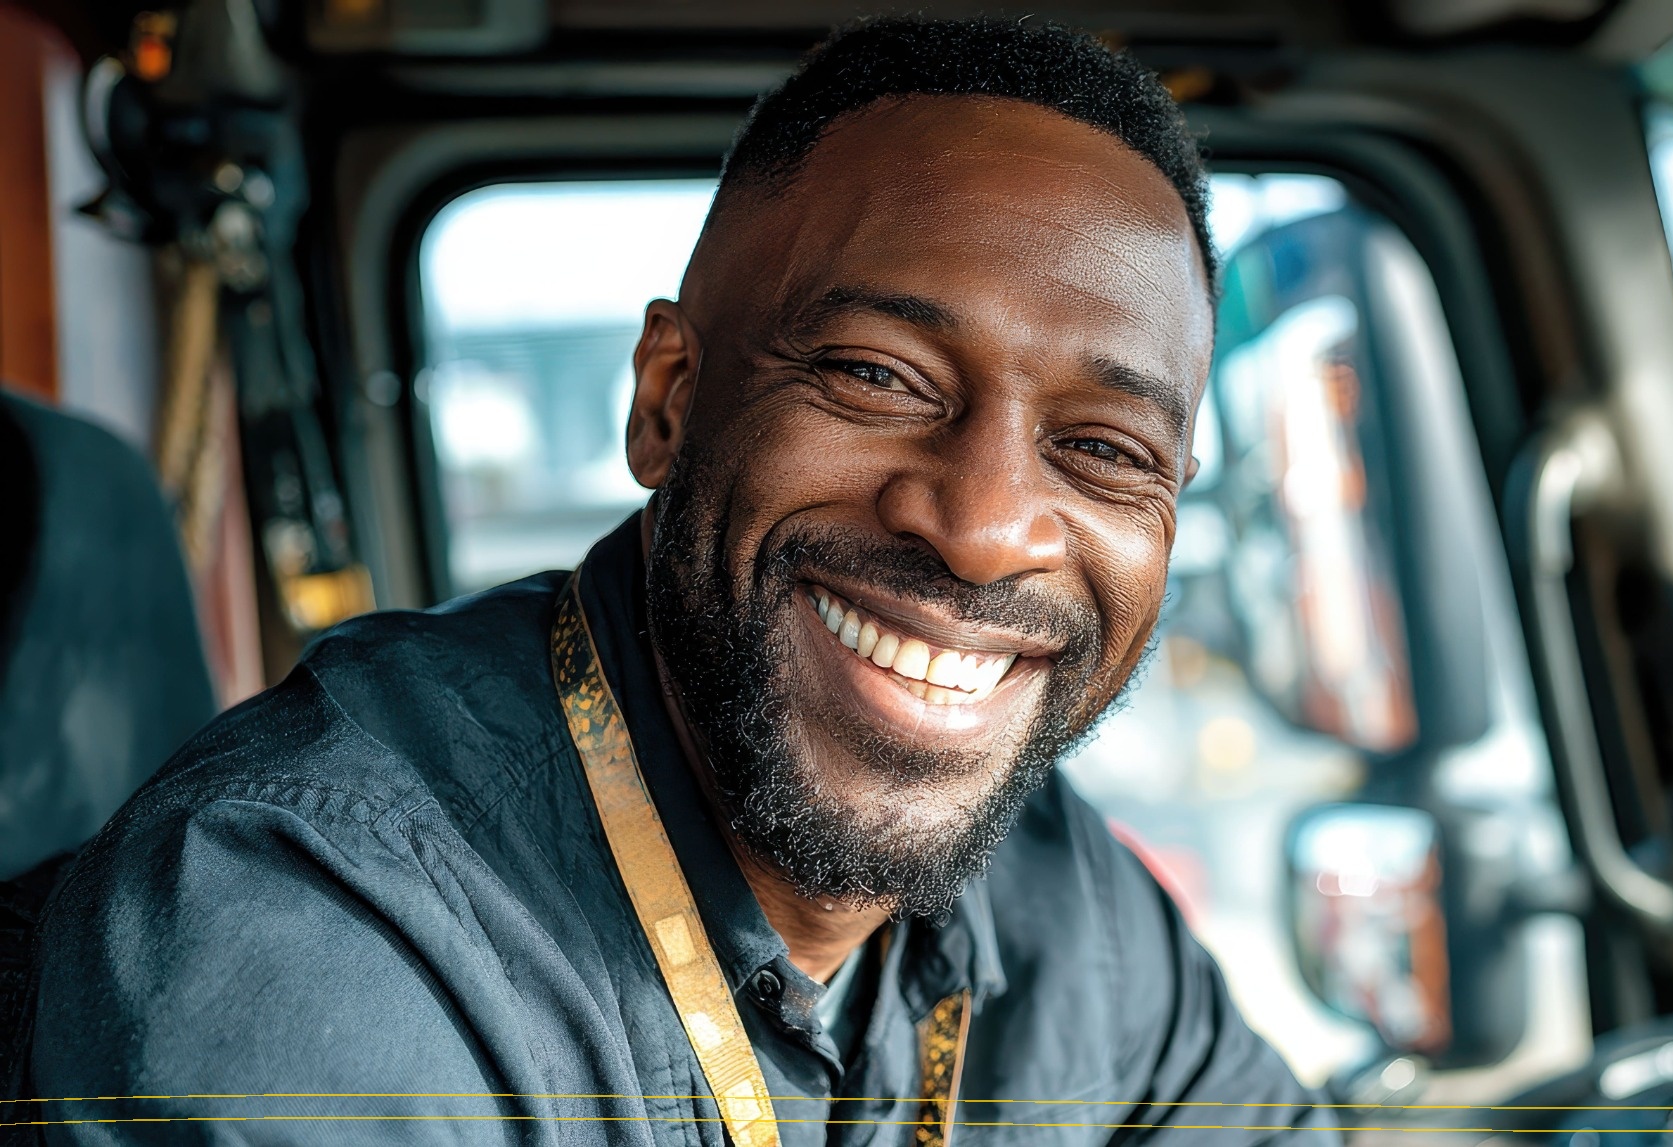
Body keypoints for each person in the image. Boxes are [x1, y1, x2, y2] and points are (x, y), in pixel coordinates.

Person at [28, 17, 1341, 1145]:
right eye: (879, 376)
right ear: (670, 400)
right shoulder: (307, 932)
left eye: (1106, 452)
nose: (987, 529)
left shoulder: (1066, 895)